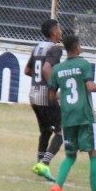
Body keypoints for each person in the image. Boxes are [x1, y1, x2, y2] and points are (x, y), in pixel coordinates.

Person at [47, 32, 96, 191]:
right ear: (76, 47)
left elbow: (51, 97)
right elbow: (90, 86)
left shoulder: (57, 69)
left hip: (68, 118)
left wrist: (63, 95)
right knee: (94, 153)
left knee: (70, 155)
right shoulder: (83, 64)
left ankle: (57, 186)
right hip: (85, 116)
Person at [24, 18, 63, 182]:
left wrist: (38, 81)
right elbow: (46, 69)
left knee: (46, 131)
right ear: (54, 32)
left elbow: (27, 70)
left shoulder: (38, 47)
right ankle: (44, 163)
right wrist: (52, 88)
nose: (61, 31)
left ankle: (40, 164)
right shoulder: (55, 49)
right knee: (62, 131)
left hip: (33, 95)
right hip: (46, 97)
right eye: (59, 28)